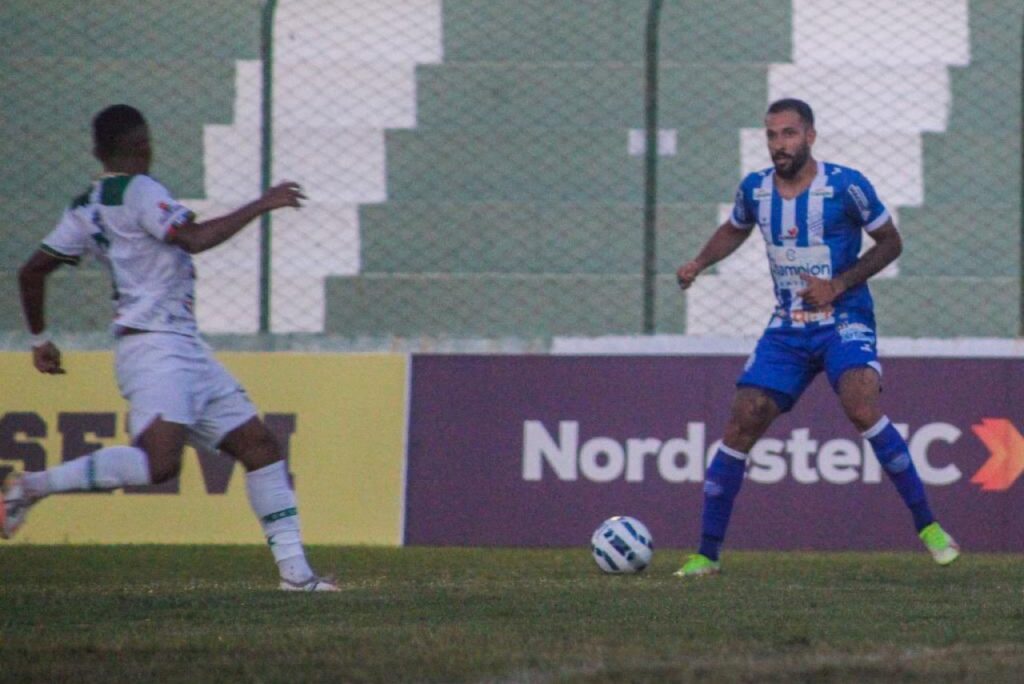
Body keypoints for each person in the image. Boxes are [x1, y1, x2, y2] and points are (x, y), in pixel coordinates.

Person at [0, 104, 337, 591]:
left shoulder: (84, 207)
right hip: (157, 350)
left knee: (260, 447)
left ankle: (297, 577)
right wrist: (262, 203)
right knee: (160, 463)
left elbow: (32, 270)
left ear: (97, 150)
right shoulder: (142, 190)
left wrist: (39, 339)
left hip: (180, 347)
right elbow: (194, 238)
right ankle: (30, 488)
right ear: (142, 145)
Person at [674, 98, 960, 577]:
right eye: (771, 135)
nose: (778, 145)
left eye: (788, 134)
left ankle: (929, 527)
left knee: (861, 404)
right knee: (742, 421)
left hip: (844, 317)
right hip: (788, 327)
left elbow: (891, 242)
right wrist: (699, 263)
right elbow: (735, 227)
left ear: (809, 136)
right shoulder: (756, 190)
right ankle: (706, 554)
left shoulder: (846, 186)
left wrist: (839, 285)